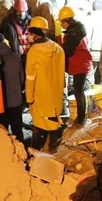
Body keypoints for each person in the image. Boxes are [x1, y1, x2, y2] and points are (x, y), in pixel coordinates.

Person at [25, 17, 65, 152]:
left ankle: (35, 151)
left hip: (40, 95)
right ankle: (53, 147)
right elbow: (61, 72)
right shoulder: (58, 48)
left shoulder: (34, 52)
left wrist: (29, 97)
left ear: (35, 33)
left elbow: (30, 77)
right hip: (55, 94)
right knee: (53, 121)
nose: (29, 36)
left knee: (37, 124)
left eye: (30, 33)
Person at [58, 6, 93, 126]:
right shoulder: (78, 30)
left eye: (62, 22)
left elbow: (67, 51)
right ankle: (81, 116)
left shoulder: (73, 34)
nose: (61, 25)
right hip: (82, 64)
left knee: (79, 91)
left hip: (79, 65)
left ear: (66, 21)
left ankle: (80, 118)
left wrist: (59, 41)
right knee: (80, 90)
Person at [0, 33, 25, 142]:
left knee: (3, 131)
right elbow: (22, 79)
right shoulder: (15, 57)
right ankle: (22, 153)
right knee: (17, 130)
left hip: (1, 102)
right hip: (16, 100)